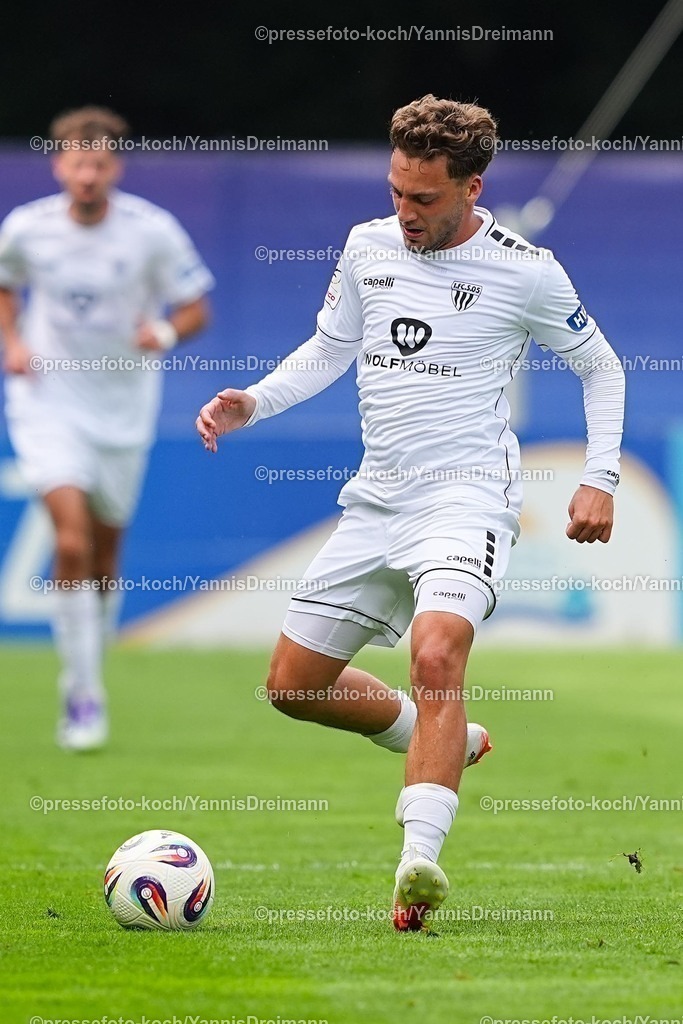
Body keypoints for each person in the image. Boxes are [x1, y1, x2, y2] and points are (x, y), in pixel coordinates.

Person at [196, 94, 625, 931]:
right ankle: (442, 738)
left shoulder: (526, 270)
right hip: (375, 500)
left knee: (436, 655)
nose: (405, 211)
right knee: (291, 687)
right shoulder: (367, 246)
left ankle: (416, 864)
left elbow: (600, 367)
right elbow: (330, 345)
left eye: (423, 197)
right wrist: (256, 400)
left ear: (472, 187)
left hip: (467, 498)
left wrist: (598, 476)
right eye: (396, 190)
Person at [0, 106, 214, 751]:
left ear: (114, 167)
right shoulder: (27, 228)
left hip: (122, 410)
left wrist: (165, 332)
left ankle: (90, 670)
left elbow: (196, 307)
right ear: (58, 165)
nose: (87, 175)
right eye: (77, 163)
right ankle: (83, 693)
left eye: (98, 163)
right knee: (70, 541)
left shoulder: (152, 232)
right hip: (47, 400)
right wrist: (12, 342)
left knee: (104, 550)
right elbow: (6, 286)